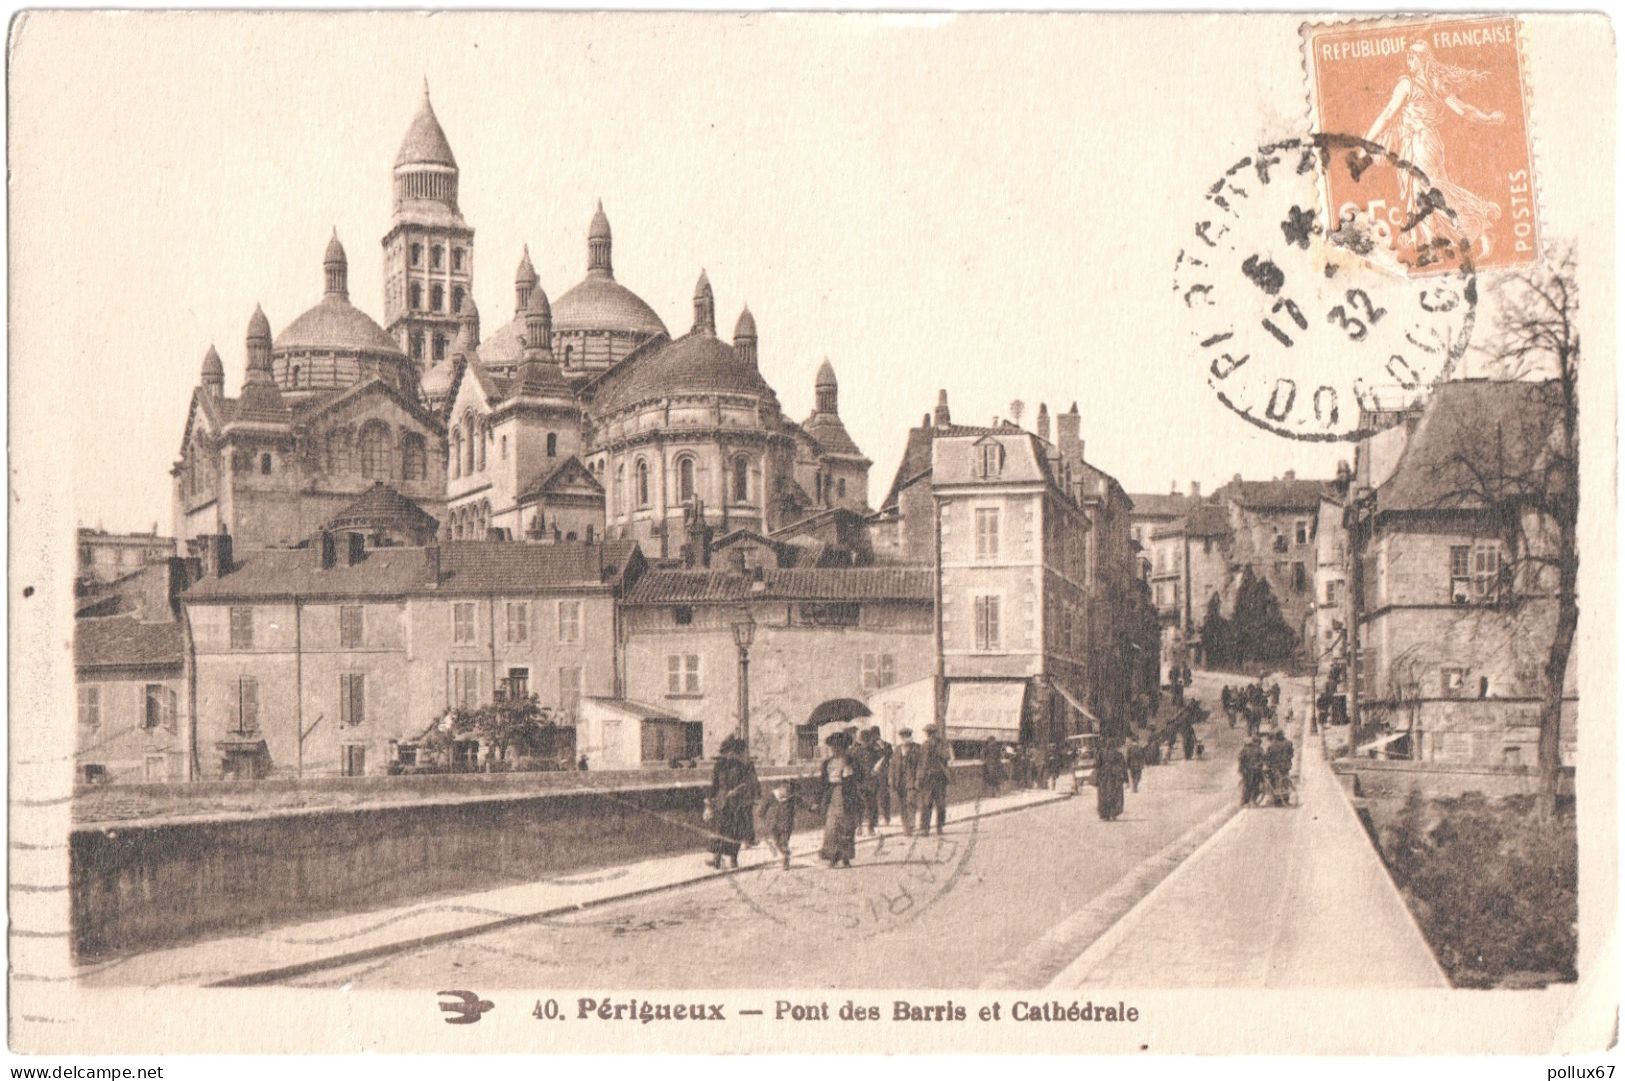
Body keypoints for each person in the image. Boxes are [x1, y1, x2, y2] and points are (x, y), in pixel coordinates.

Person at [706, 736, 760, 869]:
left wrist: (736, 792)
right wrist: (709, 801)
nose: (727, 755)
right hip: (722, 802)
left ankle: (733, 859)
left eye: (729, 752)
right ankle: (716, 859)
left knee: (735, 832)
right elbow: (714, 784)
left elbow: (747, 784)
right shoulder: (719, 765)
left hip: (737, 804)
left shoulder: (742, 766)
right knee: (719, 831)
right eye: (725, 753)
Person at [817, 732, 861, 868]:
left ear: (844, 747)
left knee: (847, 828)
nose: (834, 750)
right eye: (832, 747)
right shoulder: (827, 763)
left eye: (838, 747)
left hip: (847, 796)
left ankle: (846, 857)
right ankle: (833, 857)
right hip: (832, 796)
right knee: (832, 828)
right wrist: (817, 800)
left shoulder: (851, 761)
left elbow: (860, 777)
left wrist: (850, 772)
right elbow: (822, 783)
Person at [919, 724, 952, 835]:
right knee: (926, 804)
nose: (930, 736)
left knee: (941, 804)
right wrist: (920, 778)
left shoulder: (942, 744)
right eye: (929, 734)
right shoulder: (924, 746)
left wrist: (937, 748)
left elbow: (947, 757)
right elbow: (922, 764)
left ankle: (939, 826)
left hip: (939, 778)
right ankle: (925, 828)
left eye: (932, 734)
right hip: (928, 778)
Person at [851, 728, 882, 835]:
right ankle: (861, 827)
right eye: (863, 741)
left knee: (869, 805)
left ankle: (868, 827)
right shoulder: (856, 752)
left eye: (866, 741)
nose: (865, 743)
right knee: (862, 805)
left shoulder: (874, 751)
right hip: (861, 782)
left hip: (869, 782)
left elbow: (882, 762)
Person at [759, 782, 797, 869]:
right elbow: (765, 805)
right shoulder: (772, 796)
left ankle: (785, 860)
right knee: (776, 842)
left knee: (784, 842)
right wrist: (761, 813)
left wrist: (811, 807)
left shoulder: (792, 798)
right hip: (774, 824)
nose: (785, 796)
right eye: (784, 793)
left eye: (787, 794)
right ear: (780, 790)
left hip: (786, 824)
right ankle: (785, 853)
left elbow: (801, 803)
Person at [893, 728, 922, 835]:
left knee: (911, 802)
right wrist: (892, 781)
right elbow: (893, 766)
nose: (905, 739)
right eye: (903, 737)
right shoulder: (897, 749)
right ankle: (906, 827)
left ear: (910, 737)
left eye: (907, 736)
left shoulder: (917, 748)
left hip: (912, 781)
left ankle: (911, 824)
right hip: (900, 782)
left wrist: (918, 780)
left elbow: (920, 765)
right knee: (902, 805)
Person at [1095, 740, 1128, 821]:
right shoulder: (1118, 754)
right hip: (1115, 776)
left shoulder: (1101, 753)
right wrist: (1126, 778)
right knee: (1115, 794)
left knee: (1104, 794)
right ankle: (1113, 813)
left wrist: (1097, 778)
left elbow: (1097, 766)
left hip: (1104, 776)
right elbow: (1123, 766)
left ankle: (1105, 814)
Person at [869, 726, 894, 826]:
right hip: (873, 774)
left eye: (876, 734)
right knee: (872, 797)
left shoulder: (886, 745)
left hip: (883, 774)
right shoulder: (869, 746)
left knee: (884, 796)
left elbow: (890, 755)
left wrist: (882, 747)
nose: (875, 737)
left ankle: (886, 817)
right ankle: (874, 820)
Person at [1238, 735, 1264, 807]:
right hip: (1254, 771)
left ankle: (1245, 801)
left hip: (1247, 771)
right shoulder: (1258, 749)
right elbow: (1262, 759)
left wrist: (1241, 770)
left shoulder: (1244, 750)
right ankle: (1251, 801)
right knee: (1254, 786)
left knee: (1247, 786)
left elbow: (1240, 761)